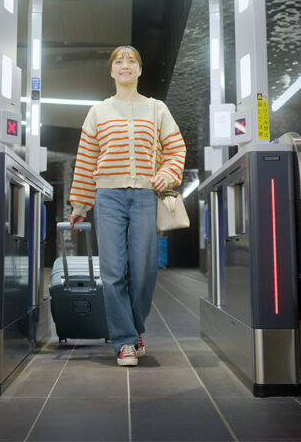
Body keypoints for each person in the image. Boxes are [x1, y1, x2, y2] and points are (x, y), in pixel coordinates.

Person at [68, 45, 186, 367]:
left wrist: (165, 173)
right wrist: (80, 204)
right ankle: (125, 342)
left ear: (139, 70)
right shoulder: (98, 112)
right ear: (111, 71)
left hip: (146, 197)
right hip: (108, 198)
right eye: (118, 61)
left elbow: (176, 149)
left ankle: (134, 328)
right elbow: (85, 161)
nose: (125, 64)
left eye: (131, 60)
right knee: (112, 272)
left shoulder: (156, 109)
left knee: (145, 270)